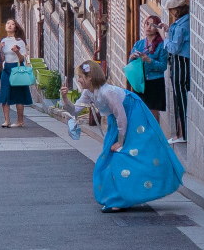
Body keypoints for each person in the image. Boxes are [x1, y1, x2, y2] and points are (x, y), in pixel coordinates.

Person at [68, 59, 184, 210]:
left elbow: (121, 116)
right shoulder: (88, 92)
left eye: (81, 76)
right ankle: (118, 197)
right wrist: (65, 98)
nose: (79, 80)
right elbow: (75, 110)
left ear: (90, 77)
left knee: (127, 154)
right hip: (116, 121)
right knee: (108, 157)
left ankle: (122, 199)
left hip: (133, 115)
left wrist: (121, 141)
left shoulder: (107, 92)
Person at [128, 15, 169, 116]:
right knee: (139, 112)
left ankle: (154, 132)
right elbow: (130, 64)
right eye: (147, 24)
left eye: (152, 25)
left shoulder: (162, 45)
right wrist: (132, 57)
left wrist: (150, 60)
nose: (148, 27)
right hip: (140, 81)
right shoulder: (139, 44)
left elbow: (163, 66)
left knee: (152, 113)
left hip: (155, 82)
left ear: (157, 29)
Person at [163, 0, 191, 144]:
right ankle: (180, 133)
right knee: (179, 97)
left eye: (172, 10)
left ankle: (183, 134)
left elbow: (174, 47)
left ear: (178, 9)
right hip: (180, 62)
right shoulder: (181, 22)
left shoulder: (182, 25)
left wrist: (165, 38)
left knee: (180, 97)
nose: (171, 13)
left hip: (182, 62)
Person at [0, 17, 33, 128]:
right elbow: (2, 58)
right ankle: (7, 120)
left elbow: (22, 59)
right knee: (4, 94)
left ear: (15, 27)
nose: (9, 25)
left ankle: (20, 121)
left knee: (19, 95)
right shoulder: (3, 41)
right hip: (6, 68)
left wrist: (17, 51)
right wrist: (0, 49)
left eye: (12, 24)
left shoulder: (19, 41)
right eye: (8, 23)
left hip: (17, 68)